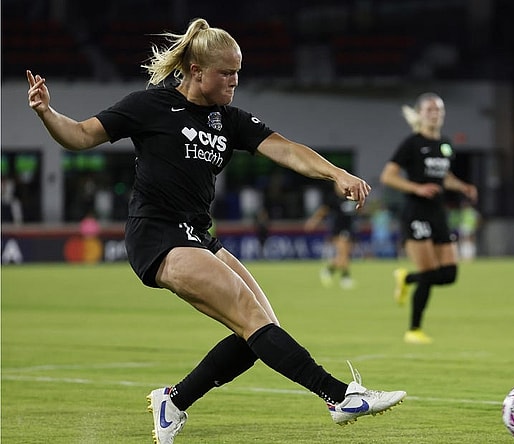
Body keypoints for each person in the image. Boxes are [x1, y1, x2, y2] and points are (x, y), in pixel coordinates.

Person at [26, 18, 405, 444]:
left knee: (260, 332)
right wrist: (46, 112)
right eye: (226, 73)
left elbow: (286, 149)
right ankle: (340, 397)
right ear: (195, 70)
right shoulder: (149, 106)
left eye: (238, 73)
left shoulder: (228, 120)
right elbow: (78, 136)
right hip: (157, 235)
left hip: (197, 234)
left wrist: (335, 173)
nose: (234, 81)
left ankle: (174, 401)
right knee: (253, 322)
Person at [380, 92, 477, 344]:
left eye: (439, 110)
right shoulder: (412, 143)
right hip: (416, 213)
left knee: (449, 274)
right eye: (430, 109)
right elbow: (388, 176)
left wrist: (462, 186)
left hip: (438, 213)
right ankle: (413, 330)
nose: (435, 114)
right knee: (430, 271)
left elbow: (443, 176)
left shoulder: (444, 144)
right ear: (420, 114)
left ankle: (406, 278)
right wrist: (417, 188)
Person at [304, 184, 358, 289]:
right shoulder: (333, 199)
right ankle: (345, 278)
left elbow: (356, 211)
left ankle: (329, 271)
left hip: (349, 229)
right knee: (343, 254)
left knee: (345, 255)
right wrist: (313, 221)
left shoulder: (351, 197)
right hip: (338, 230)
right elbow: (323, 211)